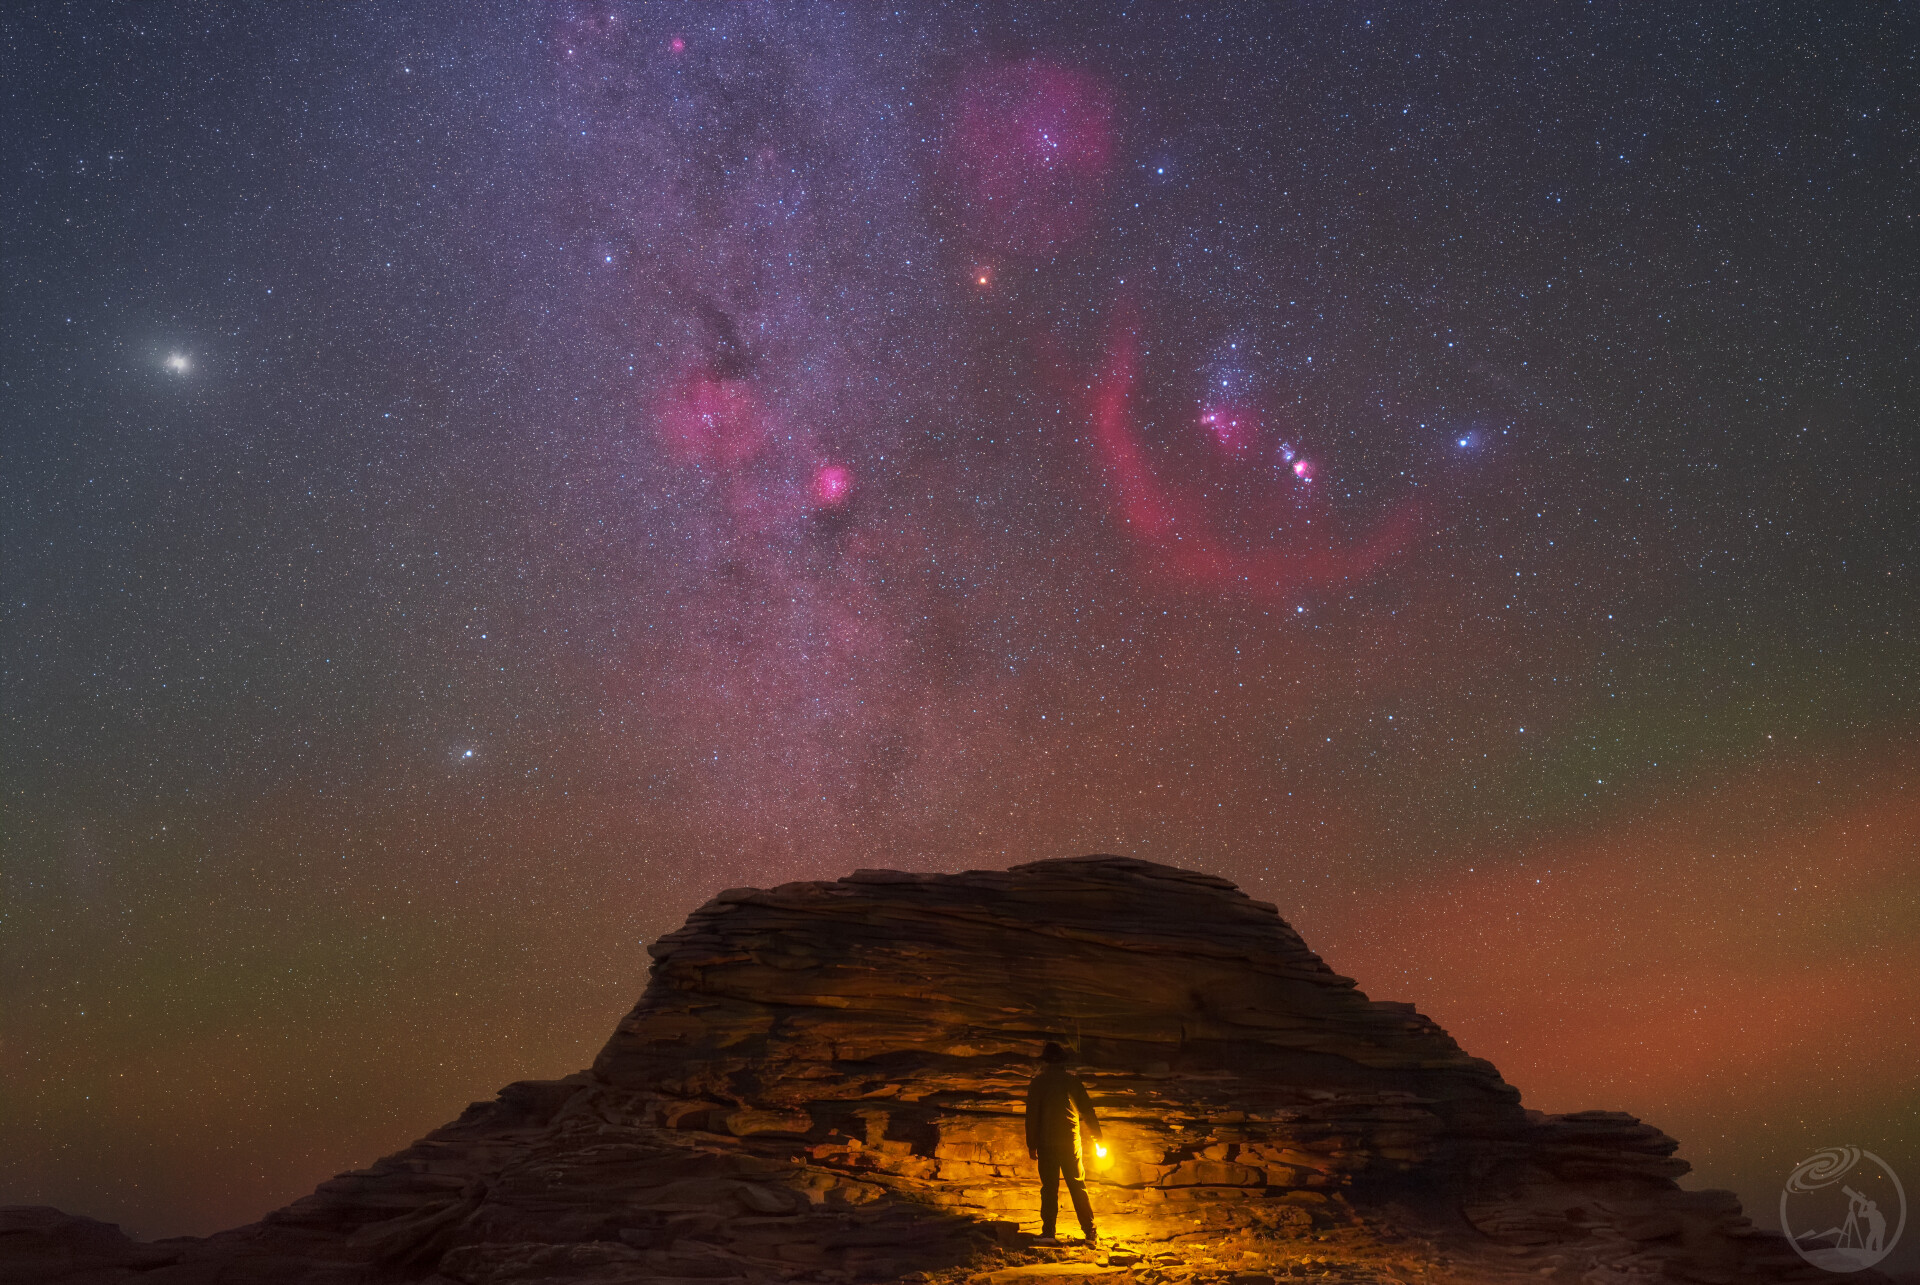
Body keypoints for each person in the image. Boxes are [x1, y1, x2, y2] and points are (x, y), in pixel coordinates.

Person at [1025, 1041, 1102, 1246]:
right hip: (1070, 1142)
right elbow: (1087, 1110)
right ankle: (1090, 1231)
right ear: (1062, 1063)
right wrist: (1098, 1137)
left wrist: (1031, 1144)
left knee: (1049, 1188)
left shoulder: (1038, 1083)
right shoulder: (1072, 1082)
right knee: (1077, 1186)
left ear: (1045, 1062)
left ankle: (1048, 1232)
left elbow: (1032, 1115)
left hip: (1046, 1143)